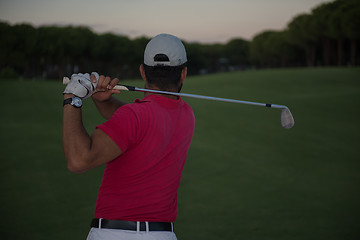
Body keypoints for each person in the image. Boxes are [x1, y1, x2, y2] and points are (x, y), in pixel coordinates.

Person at [62, 33, 195, 240]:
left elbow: (79, 160)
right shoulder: (187, 114)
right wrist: (104, 102)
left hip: (114, 234)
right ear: (183, 73)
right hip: (163, 235)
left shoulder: (134, 117)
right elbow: (140, 124)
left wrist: (72, 98)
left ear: (143, 71)